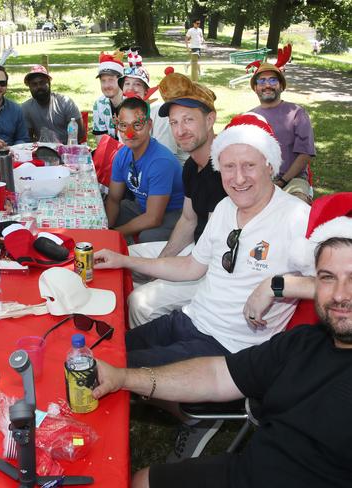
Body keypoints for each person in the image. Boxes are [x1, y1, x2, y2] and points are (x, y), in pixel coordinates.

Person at [95, 112, 311, 460]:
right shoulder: (226, 207)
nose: (238, 178)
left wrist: (275, 284)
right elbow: (192, 266)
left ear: (270, 165)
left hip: (232, 348)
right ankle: (188, 413)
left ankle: (194, 417)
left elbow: (340, 287)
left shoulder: (294, 219)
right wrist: (126, 261)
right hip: (191, 319)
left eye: (249, 166)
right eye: (228, 167)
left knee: (115, 370)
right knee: (105, 350)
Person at [92, 209, 352, 488]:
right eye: (326, 277)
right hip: (249, 469)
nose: (339, 294)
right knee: (142, 481)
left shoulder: (290, 215)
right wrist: (124, 377)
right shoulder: (302, 342)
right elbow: (218, 375)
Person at [126, 71, 226, 327]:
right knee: (126, 256)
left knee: (141, 302)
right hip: (197, 249)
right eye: (173, 123)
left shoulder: (227, 171)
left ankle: (147, 352)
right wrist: (161, 260)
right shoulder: (192, 166)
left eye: (188, 120)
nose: (180, 131)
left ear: (210, 119)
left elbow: (213, 254)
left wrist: (160, 271)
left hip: (217, 270)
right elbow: (188, 220)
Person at [105, 96, 184, 244]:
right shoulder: (122, 155)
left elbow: (154, 218)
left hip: (172, 212)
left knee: (148, 237)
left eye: (137, 125)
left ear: (149, 125)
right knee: (107, 213)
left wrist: (115, 233)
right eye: (123, 125)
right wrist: (106, 229)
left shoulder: (161, 162)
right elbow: (114, 199)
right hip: (142, 207)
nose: (129, 133)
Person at [249, 61, 316, 203]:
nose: (267, 85)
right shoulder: (249, 117)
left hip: (293, 180)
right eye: (262, 81)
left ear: (281, 86)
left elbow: (305, 154)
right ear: (255, 88)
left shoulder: (297, 113)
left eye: (273, 80)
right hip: (257, 180)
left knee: (297, 210)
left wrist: (282, 182)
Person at [120, 60, 186, 165]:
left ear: (146, 91)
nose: (131, 88)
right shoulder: (124, 114)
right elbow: (124, 151)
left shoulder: (159, 112)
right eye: (127, 83)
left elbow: (165, 155)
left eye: (137, 84)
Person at [21, 64, 85, 143]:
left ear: (49, 83)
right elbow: (27, 137)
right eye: (34, 84)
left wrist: (64, 149)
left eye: (42, 82)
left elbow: (80, 134)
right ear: (29, 87)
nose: (39, 87)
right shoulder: (26, 108)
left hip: (67, 150)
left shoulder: (66, 103)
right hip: (42, 152)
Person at [92, 50, 124, 146]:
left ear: (121, 80)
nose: (106, 85)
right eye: (103, 81)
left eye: (111, 80)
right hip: (111, 154)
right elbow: (101, 142)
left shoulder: (132, 102)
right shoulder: (99, 104)